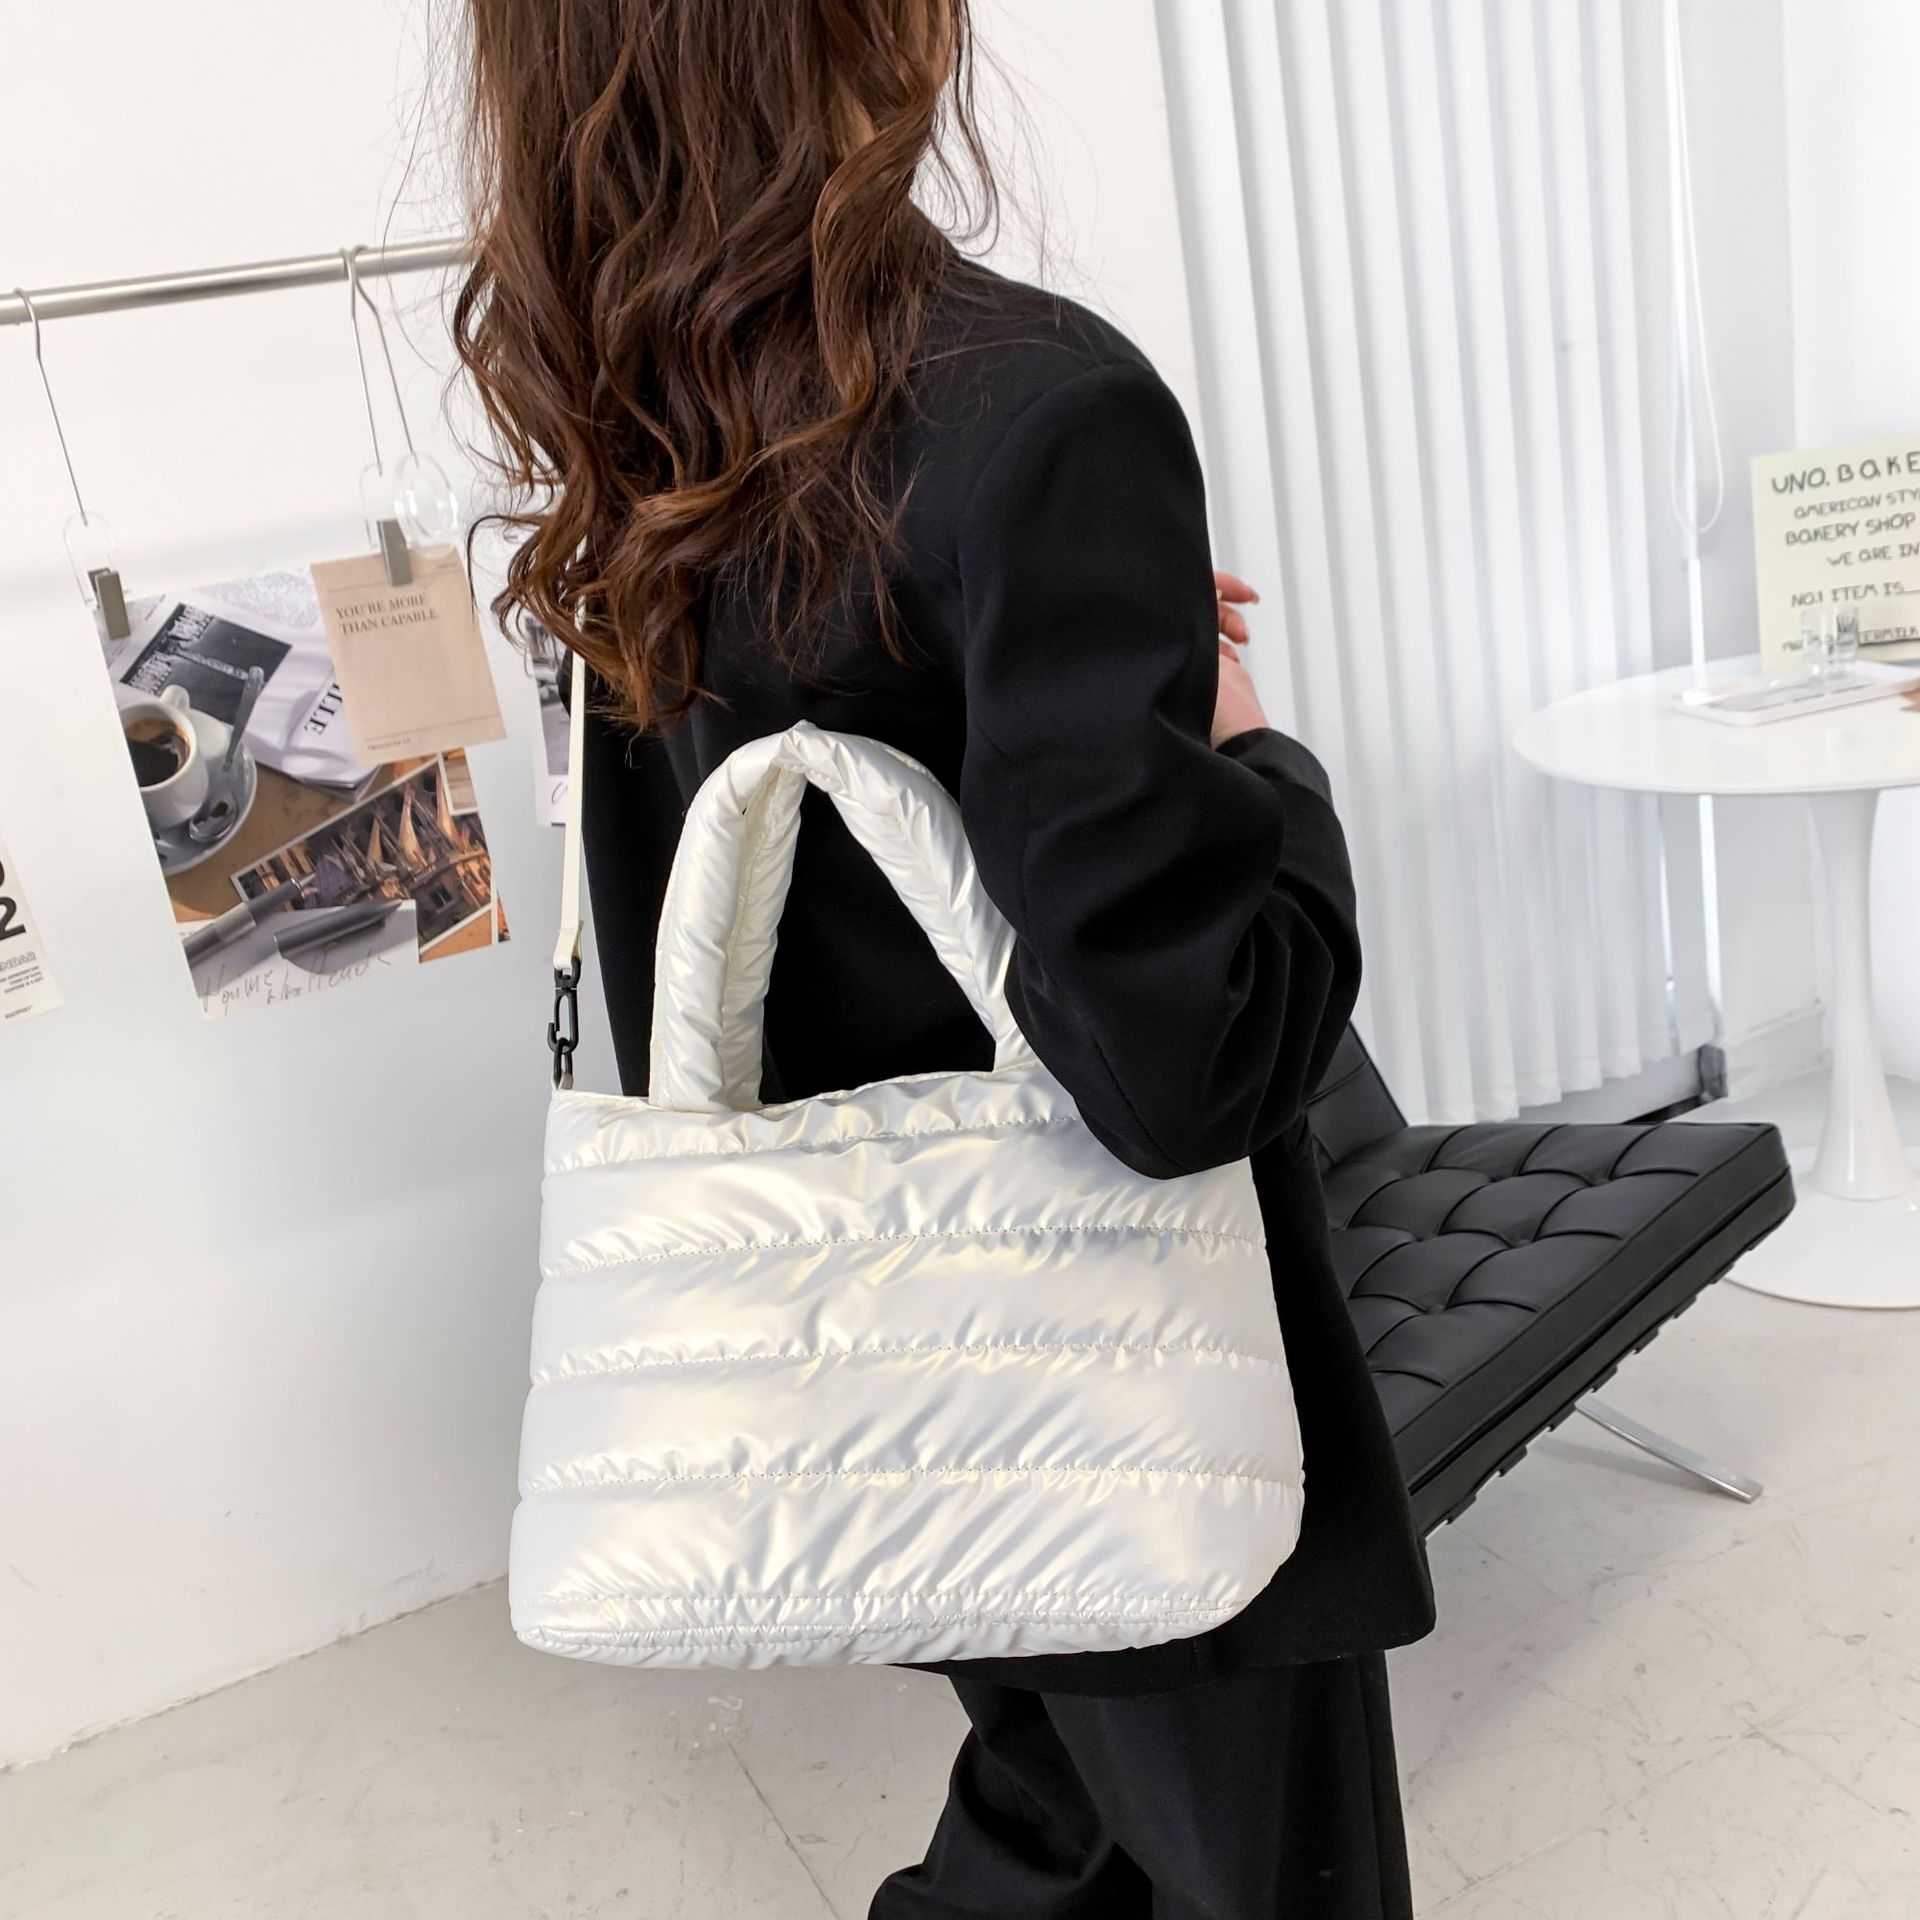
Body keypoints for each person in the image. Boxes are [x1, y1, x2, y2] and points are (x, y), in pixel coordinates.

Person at [453, 2, 1434, 1913]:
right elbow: (1189, 1070)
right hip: (1119, 1359)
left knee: (1057, 1801)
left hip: (881, 1344)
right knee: (1244, 1858)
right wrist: (1258, 762)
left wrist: (1087, 647)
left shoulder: (636, 404)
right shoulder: (1038, 411)